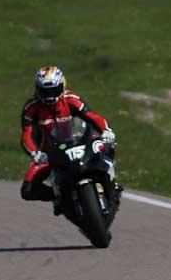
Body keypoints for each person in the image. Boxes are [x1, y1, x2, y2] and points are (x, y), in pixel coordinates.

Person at [20, 65, 120, 211]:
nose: (49, 96)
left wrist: (106, 131)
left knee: (107, 145)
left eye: (53, 90)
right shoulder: (31, 107)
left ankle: (112, 184)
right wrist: (35, 153)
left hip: (80, 142)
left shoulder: (71, 99)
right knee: (27, 190)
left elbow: (92, 116)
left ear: (62, 85)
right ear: (37, 88)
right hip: (50, 153)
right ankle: (60, 199)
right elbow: (26, 135)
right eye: (45, 91)